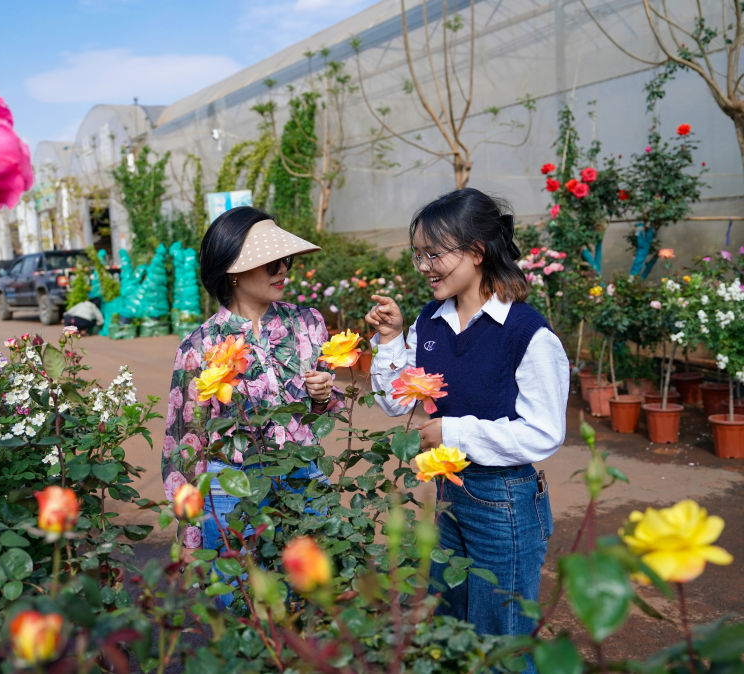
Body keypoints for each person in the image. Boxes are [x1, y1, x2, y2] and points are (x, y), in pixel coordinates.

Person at [365, 188, 568, 650]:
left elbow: (544, 433)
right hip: (449, 494)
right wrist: (393, 339)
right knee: (451, 627)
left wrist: (451, 431)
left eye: (434, 254)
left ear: (476, 253)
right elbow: (396, 403)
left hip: (505, 503)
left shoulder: (527, 333)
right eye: (418, 256)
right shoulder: (430, 323)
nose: (424, 267)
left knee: (501, 639)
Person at [163, 206, 341, 556]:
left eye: (285, 259)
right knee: (239, 600)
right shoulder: (199, 347)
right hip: (231, 488)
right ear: (232, 271)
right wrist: (190, 536)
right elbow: (184, 445)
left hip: (303, 478)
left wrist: (322, 397)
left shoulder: (308, 324)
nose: (282, 270)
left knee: (309, 597)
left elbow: (322, 418)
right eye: (269, 261)